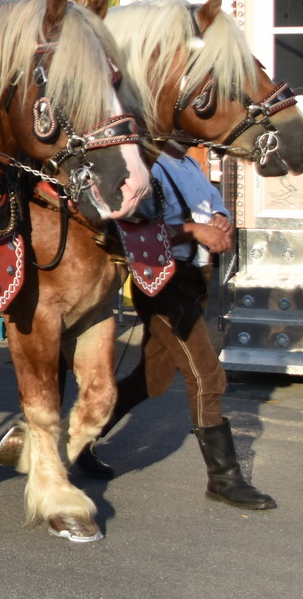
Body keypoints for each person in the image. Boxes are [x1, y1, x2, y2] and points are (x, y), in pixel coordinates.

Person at [78, 147, 276, 510]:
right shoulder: (145, 165)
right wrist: (194, 230)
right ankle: (224, 479)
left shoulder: (188, 163)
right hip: (163, 280)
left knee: (151, 379)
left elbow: (212, 204)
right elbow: (129, 231)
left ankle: (74, 441)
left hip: (194, 278)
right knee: (207, 376)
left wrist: (219, 218)